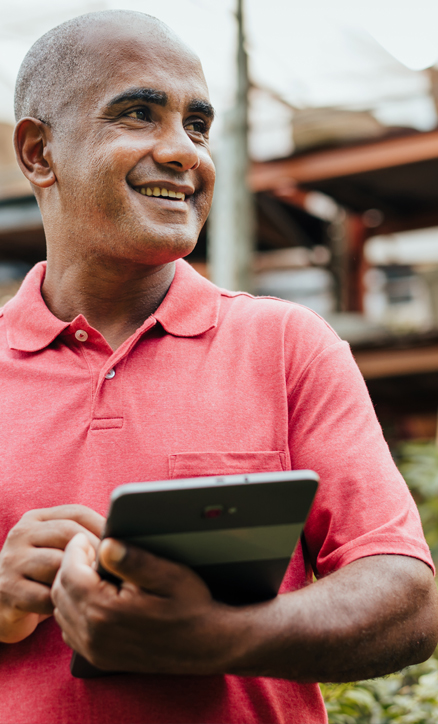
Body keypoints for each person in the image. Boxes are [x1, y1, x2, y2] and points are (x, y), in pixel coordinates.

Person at [0, 9, 436, 724]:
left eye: (197, 126)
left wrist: (223, 638)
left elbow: (406, 600)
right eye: (139, 114)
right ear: (40, 153)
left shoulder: (289, 345)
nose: (183, 153)